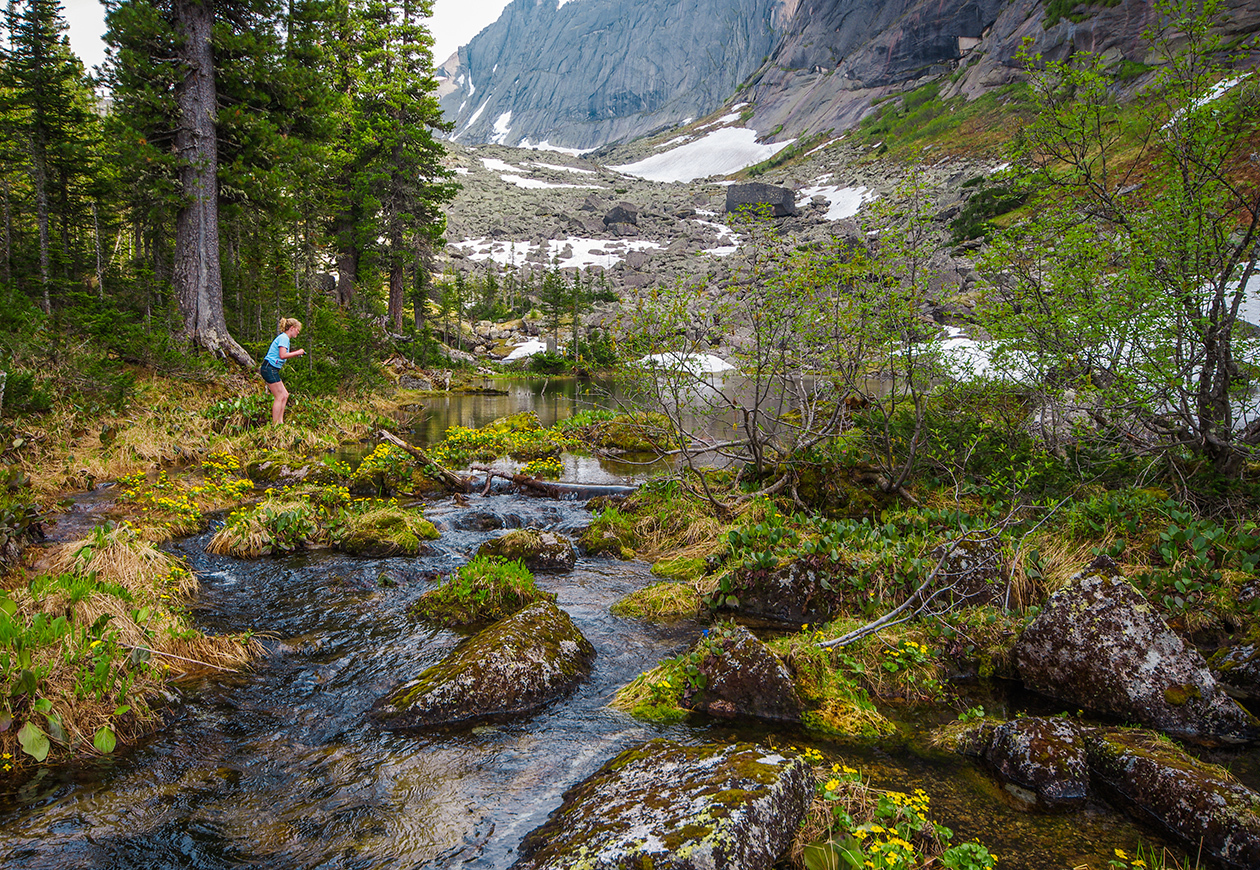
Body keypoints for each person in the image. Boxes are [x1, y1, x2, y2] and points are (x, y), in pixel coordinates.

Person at [260, 318, 306, 424]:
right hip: (269, 368)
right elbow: (282, 355)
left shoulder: (284, 338)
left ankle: (280, 422)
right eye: (297, 329)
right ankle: (275, 424)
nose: (298, 332)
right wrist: (297, 352)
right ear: (292, 328)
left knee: (285, 395)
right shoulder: (284, 338)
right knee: (279, 396)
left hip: (272, 368)